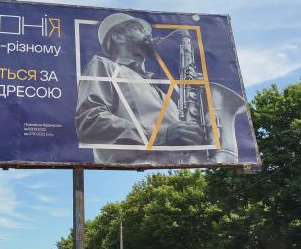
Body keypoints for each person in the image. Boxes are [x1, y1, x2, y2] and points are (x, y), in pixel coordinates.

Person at [75, 13, 205, 165]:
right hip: (131, 173)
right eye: (139, 29)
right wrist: (160, 135)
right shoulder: (104, 65)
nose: (148, 34)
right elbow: (90, 122)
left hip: (178, 171)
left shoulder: (159, 90)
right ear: (119, 37)